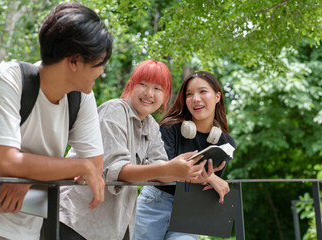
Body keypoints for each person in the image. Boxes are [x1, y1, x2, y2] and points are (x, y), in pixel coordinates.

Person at [0, 2, 112, 240]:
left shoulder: (81, 97)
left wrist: (29, 177)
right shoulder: (7, 79)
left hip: (27, 228)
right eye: (98, 64)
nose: (102, 71)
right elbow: (6, 163)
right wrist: (77, 166)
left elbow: (95, 165)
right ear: (74, 61)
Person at [59, 60, 218, 240]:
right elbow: (116, 170)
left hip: (113, 226)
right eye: (142, 84)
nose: (149, 93)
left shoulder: (151, 125)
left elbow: (160, 171)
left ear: (165, 95)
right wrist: (170, 169)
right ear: (130, 86)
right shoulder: (115, 110)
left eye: (158, 89)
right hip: (77, 219)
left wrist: (190, 173)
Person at [133, 71, 236, 240]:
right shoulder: (169, 128)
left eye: (202, 91)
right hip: (155, 203)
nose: (195, 98)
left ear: (217, 96)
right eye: (189, 94)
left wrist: (209, 179)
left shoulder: (226, 143)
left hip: (189, 207)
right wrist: (209, 178)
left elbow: (207, 187)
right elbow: (162, 173)